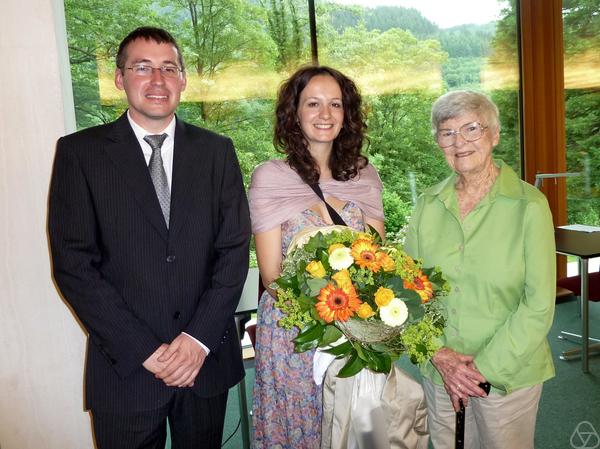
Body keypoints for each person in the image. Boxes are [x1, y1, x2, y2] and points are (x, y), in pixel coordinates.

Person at [48, 26, 250, 449]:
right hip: (126, 370)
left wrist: (196, 341)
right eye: (142, 68)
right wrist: (146, 350)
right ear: (120, 78)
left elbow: (233, 252)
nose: (157, 81)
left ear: (183, 79)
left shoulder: (217, 152)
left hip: (204, 364)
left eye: (168, 68)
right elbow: (74, 266)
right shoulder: (80, 154)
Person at [404, 90, 556, 449]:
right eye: (447, 132)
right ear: (438, 142)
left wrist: (478, 372)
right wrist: (439, 356)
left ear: (494, 134)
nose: (460, 142)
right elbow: (405, 292)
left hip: (508, 375)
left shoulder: (529, 207)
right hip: (441, 371)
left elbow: (538, 306)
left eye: (472, 129)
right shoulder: (427, 205)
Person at [249, 66, 385, 448]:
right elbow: (273, 274)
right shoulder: (270, 178)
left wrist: (362, 322)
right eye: (313, 103)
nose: (325, 114)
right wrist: (326, 317)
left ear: (347, 114)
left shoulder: (364, 175)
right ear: (294, 113)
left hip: (354, 332)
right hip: (296, 332)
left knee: (356, 428)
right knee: (302, 430)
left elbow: (377, 262)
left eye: (335, 104)